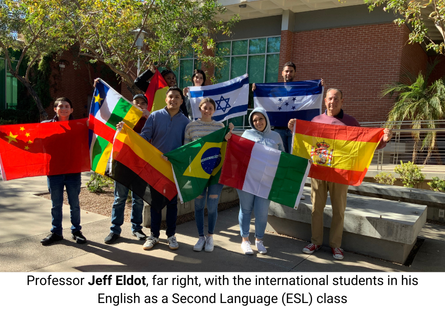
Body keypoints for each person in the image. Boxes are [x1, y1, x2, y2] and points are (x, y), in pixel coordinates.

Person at [288, 88, 392, 260]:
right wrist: (294, 129)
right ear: (325, 101)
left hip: (340, 174)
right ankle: (316, 241)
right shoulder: (316, 120)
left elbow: (364, 144)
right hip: (319, 173)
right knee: (316, 209)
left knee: (339, 210)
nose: (332, 102)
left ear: (342, 101)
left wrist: (383, 141)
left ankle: (336, 246)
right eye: (330, 98)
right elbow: (306, 141)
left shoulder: (351, 122)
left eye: (336, 99)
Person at [139, 86, 190, 250]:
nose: (173, 100)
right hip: (156, 167)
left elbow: (187, 146)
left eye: (177, 97)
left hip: (173, 169)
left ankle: (171, 235)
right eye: (170, 97)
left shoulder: (186, 122)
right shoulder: (154, 116)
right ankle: (153, 235)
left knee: (172, 204)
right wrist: (125, 132)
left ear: (181, 101)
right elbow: (144, 137)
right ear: (166, 99)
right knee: (155, 203)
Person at [183, 97, 233, 252]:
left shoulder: (220, 126)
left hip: (216, 173)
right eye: (205, 107)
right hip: (198, 172)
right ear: (200, 108)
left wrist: (229, 134)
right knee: (198, 206)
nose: (207, 110)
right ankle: (200, 237)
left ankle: (210, 236)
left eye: (210, 108)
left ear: (214, 110)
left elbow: (226, 148)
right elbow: (186, 149)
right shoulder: (191, 126)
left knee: (212, 206)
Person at [233, 107, 284, 255]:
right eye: (254, 120)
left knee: (261, 212)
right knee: (246, 210)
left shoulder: (276, 136)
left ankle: (259, 240)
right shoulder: (246, 134)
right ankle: (245, 240)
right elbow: (237, 153)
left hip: (266, 182)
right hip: (247, 180)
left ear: (266, 119)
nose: (258, 122)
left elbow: (284, 157)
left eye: (260, 118)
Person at [104, 94, 150, 244]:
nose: (140, 106)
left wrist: (149, 117)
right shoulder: (124, 120)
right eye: (136, 103)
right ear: (132, 105)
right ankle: (114, 230)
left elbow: (154, 138)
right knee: (119, 199)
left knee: (138, 200)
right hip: (123, 164)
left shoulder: (151, 121)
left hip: (141, 165)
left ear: (147, 106)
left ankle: (136, 228)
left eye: (143, 103)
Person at [40, 97, 86, 246]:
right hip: (54, 171)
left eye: (67, 106)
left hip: (73, 170)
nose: (64, 108)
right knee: (56, 204)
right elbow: (35, 140)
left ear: (72, 110)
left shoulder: (79, 126)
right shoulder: (46, 126)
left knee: (74, 203)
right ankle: (56, 232)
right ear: (55, 109)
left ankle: (76, 231)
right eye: (61, 106)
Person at [252, 61, 297, 154]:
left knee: (294, 155)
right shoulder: (275, 90)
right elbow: (264, 101)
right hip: (278, 129)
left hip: (294, 129)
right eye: (287, 71)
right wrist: (257, 90)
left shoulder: (300, 89)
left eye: (291, 71)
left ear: (294, 73)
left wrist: (319, 87)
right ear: (282, 73)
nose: (288, 73)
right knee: (279, 155)